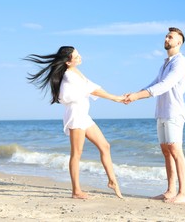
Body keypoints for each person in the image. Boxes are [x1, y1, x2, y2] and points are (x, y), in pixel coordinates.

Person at [24, 46, 123, 199]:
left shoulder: (76, 72)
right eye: (76, 56)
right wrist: (116, 98)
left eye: (78, 54)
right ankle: (76, 191)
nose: (80, 57)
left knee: (105, 146)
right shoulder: (69, 75)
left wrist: (117, 97)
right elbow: (92, 91)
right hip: (76, 115)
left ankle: (112, 181)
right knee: (76, 154)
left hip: (84, 115)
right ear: (68, 62)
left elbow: (93, 87)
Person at [124, 27, 185, 204]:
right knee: (166, 152)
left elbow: (164, 85)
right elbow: (154, 83)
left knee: (176, 151)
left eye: (170, 37)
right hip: (161, 112)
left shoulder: (180, 63)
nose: (166, 38)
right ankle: (170, 191)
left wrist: (137, 96)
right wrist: (135, 95)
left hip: (174, 113)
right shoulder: (165, 64)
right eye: (166, 36)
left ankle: (183, 193)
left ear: (179, 42)